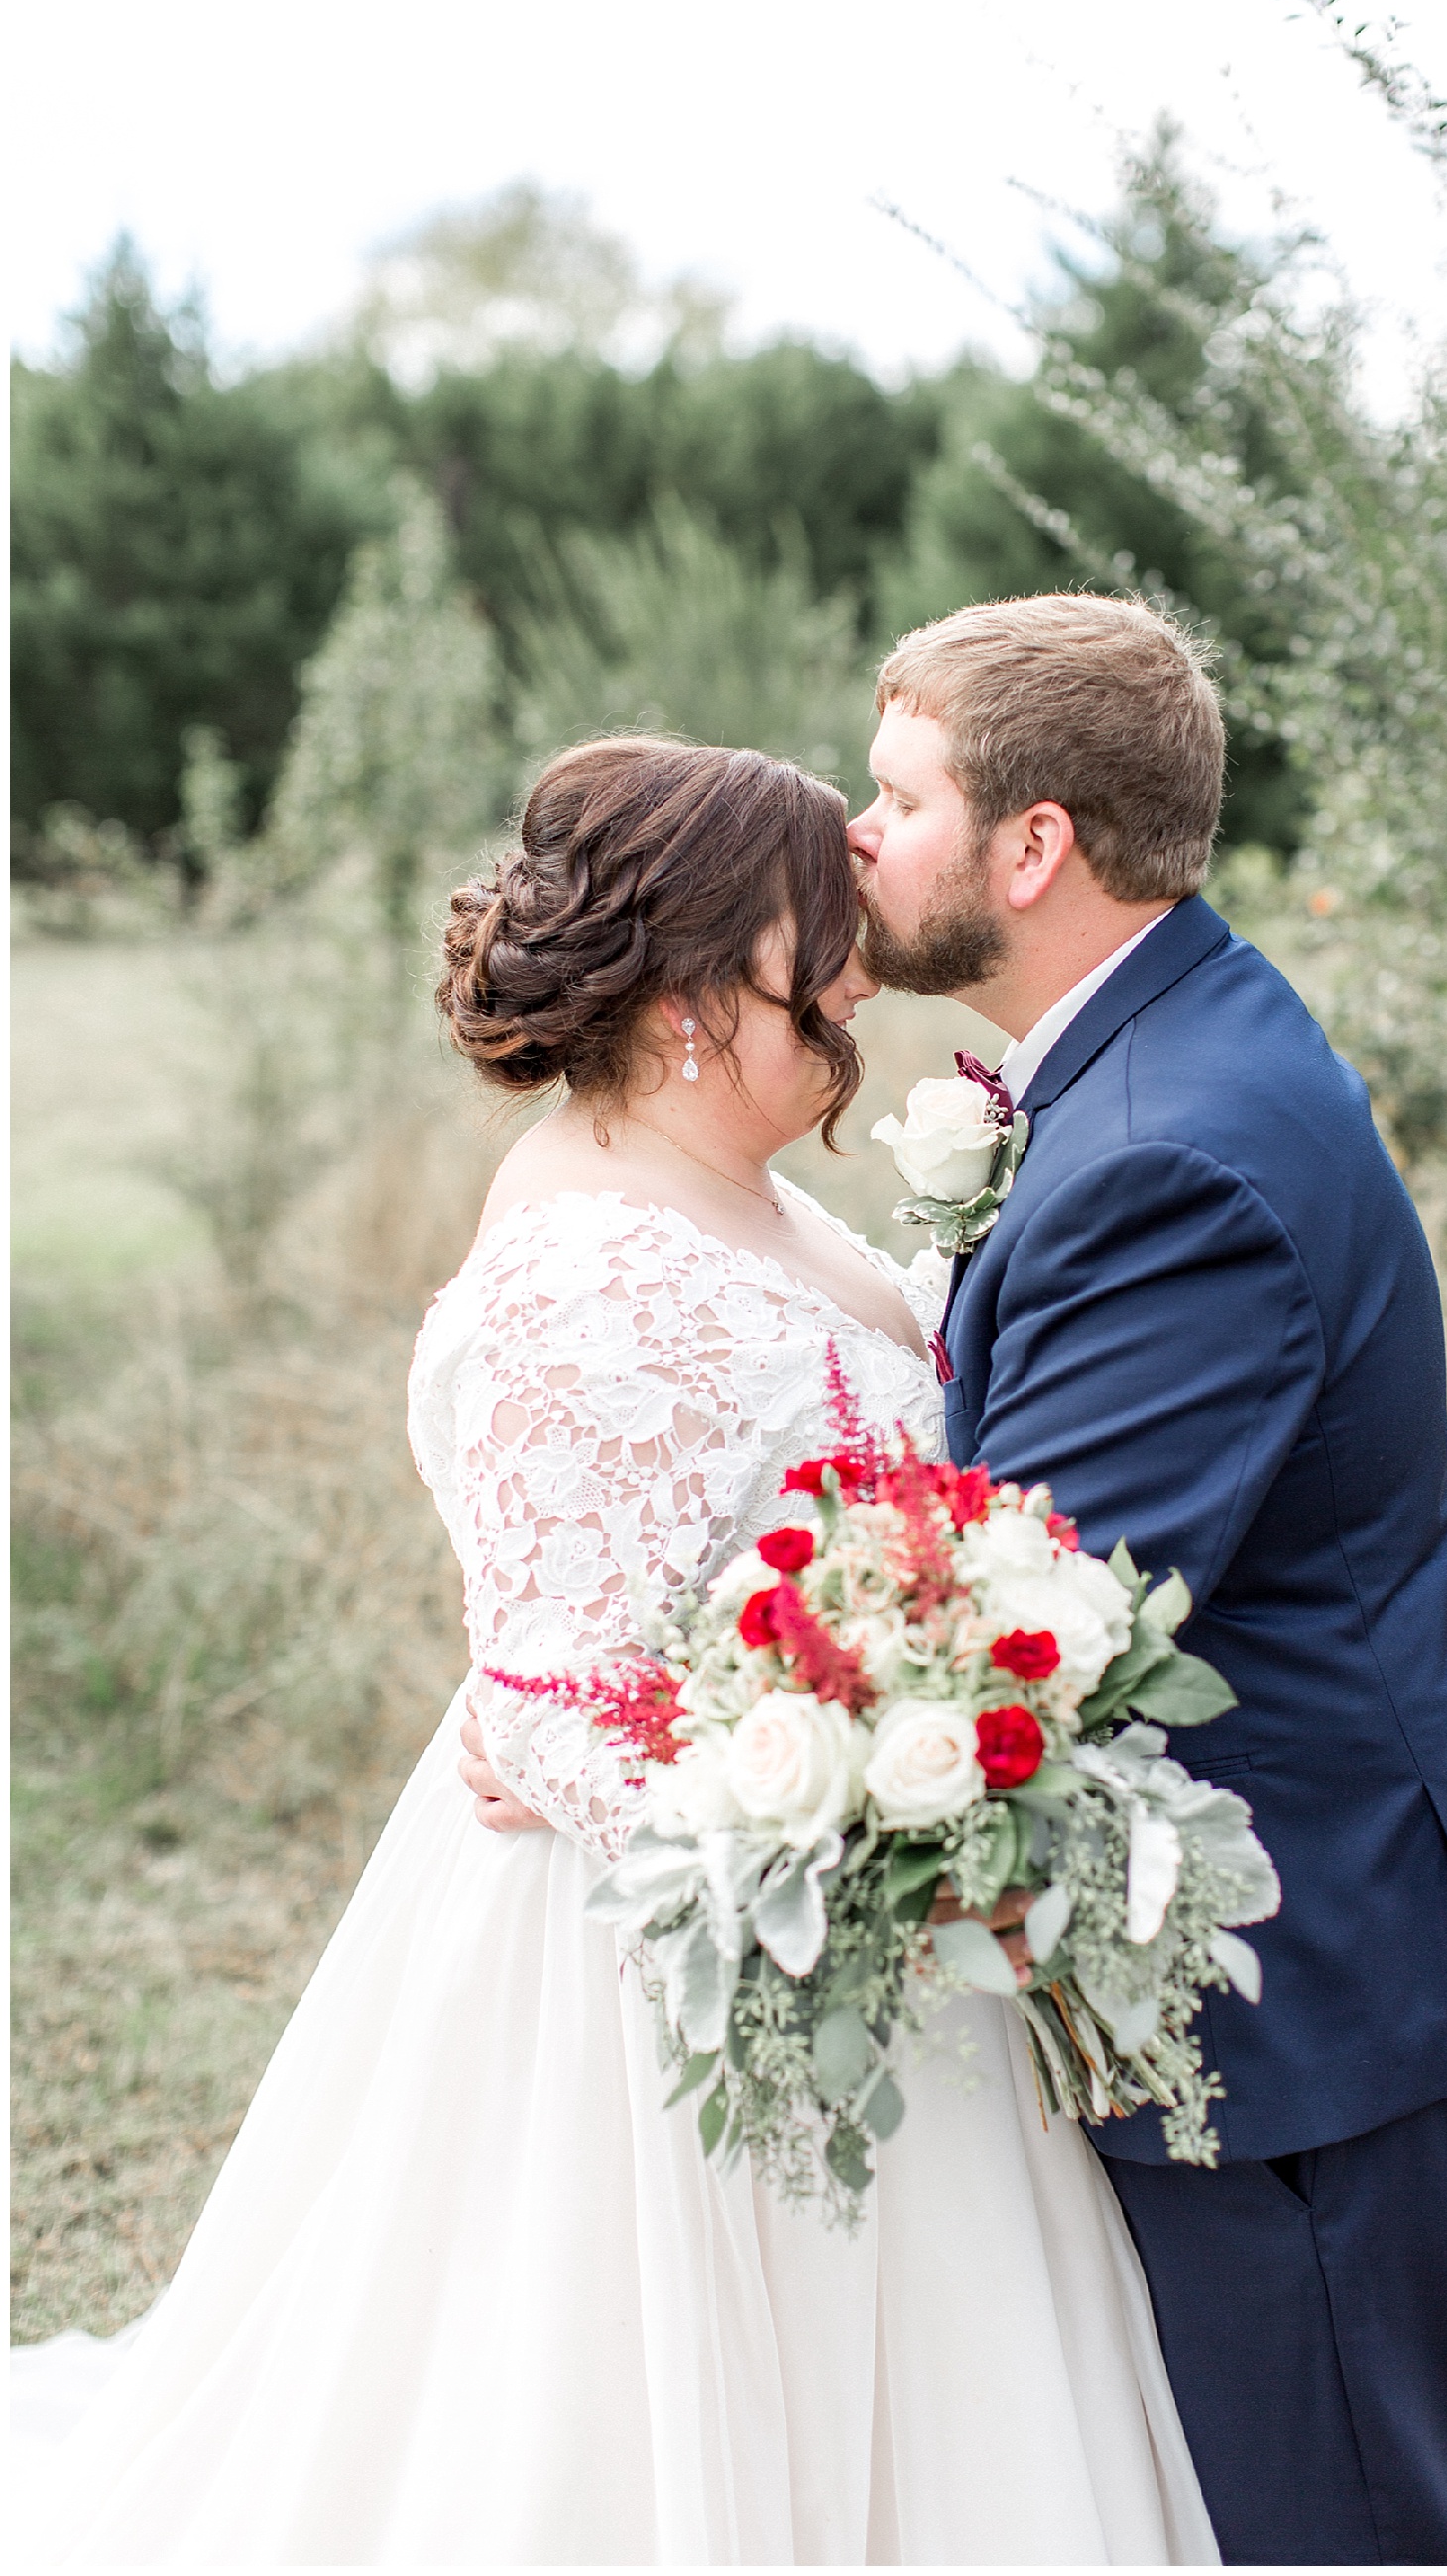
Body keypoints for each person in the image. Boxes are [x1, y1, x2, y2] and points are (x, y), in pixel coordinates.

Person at [12, 739, 1215, 2567]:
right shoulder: (578, 1274)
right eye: (814, 958)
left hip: (853, 1893)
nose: (854, 988)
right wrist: (841, 1824)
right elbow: (556, 1672)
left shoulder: (736, 1183)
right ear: (686, 997)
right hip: (667, 1942)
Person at [847, 593, 1447, 2568]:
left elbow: (1019, 1626)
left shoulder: (1163, 1157)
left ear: (1033, 846)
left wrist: (639, 1740)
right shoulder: (1164, 1046)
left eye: (898, 797)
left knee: (1343, 2531)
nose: (859, 834)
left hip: (1319, 1984)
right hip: (1320, 1927)